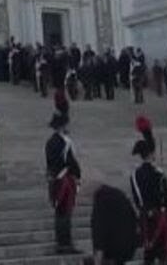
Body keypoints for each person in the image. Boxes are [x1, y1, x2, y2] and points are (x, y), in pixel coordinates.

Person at [131, 139, 167, 265]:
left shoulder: (134, 175)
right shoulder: (158, 174)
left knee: (148, 254)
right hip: (159, 219)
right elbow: (165, 199)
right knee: (163, 255)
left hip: (145, 219)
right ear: (150, 153)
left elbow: (137, 199)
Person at [44, 112, 81, 255]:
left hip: (54, 179)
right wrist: (77, 174)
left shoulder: (49, 142)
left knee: (59, 212)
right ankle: (66, 243)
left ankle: (61, 242)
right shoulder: (65, 142)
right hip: (64, 179)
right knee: (66, 212)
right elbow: (70, 161)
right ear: (62, 126)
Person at [89, 184, 140, 265]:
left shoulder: (101, 202)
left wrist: (98, 257)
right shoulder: (122, 199)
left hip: (111, 251)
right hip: (127, 247)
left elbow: (98, 230)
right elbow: (135, 221)